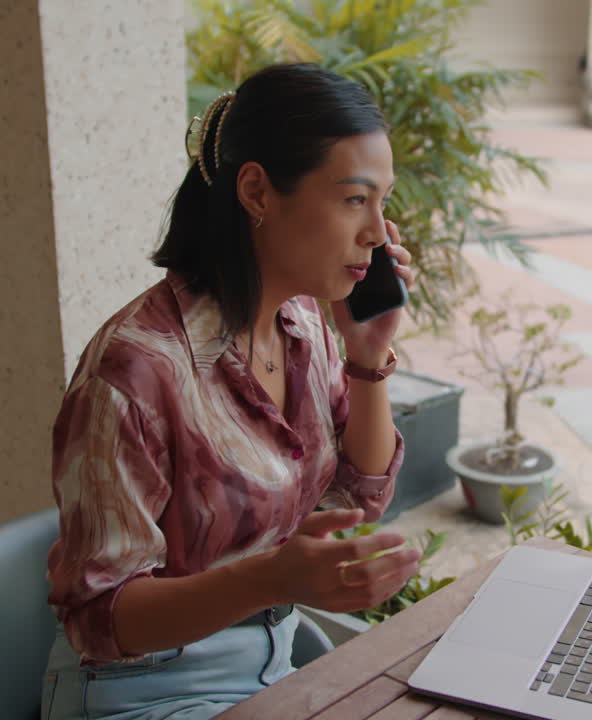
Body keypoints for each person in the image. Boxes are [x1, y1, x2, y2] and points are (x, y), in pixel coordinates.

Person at [40, 63, 422, 719]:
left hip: (266, 664)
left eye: (381, 202)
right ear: (258, 192)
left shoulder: (305, 325)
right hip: (140, 693)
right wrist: (271, 578)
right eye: (355, 200)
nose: (377, 232)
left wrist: (366, 357)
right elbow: (100, 618)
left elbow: (357, 500)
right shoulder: (135, 370)